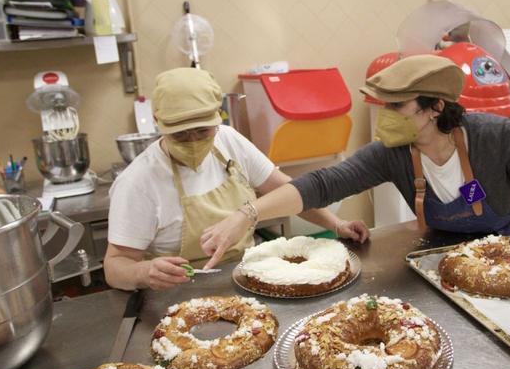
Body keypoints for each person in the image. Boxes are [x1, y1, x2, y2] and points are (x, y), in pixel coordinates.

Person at [198, 55, 510, 280]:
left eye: (397, 106)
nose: (385, 116)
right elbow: (323, 184)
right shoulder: (392, 150)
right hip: (456, 257)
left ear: (434, 108)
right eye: (382, 105)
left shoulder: (496, 138)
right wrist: (248, 214)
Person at [104, 68, 369, 291]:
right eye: (181, 135)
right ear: (157, 122)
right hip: (180, 294)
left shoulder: (228, 141)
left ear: (217, 117)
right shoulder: (138, 183)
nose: (194, 141)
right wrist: (144, 271)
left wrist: (337, 224)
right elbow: (115, 267)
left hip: (249, 279)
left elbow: (290, 192)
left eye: (202, 131)